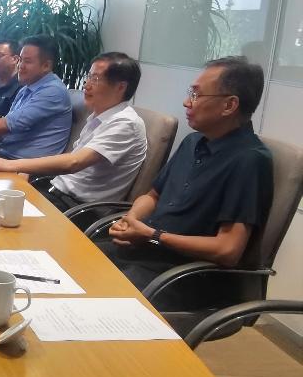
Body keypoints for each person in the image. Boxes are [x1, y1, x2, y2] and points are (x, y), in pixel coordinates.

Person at [100, 56, 273, 304]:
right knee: (74, 263)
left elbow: (228, 249)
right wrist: (132, 219)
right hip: (145, 253)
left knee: (97, 298)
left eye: (196, 94)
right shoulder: (193, 141)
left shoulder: (249, 160)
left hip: (182, 276)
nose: (186, 102)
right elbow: (153, 196)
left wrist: (153, 235)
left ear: (229, 105)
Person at [0, 52, 147, 211]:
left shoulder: (125, 123)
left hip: (79, 208)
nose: (86, 85)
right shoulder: (99, 116)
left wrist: (11, 164)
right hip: (55, 192)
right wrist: (28, 170)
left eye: (95, 79)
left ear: (120, 87)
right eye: (88, 77)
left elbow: (75, 162)